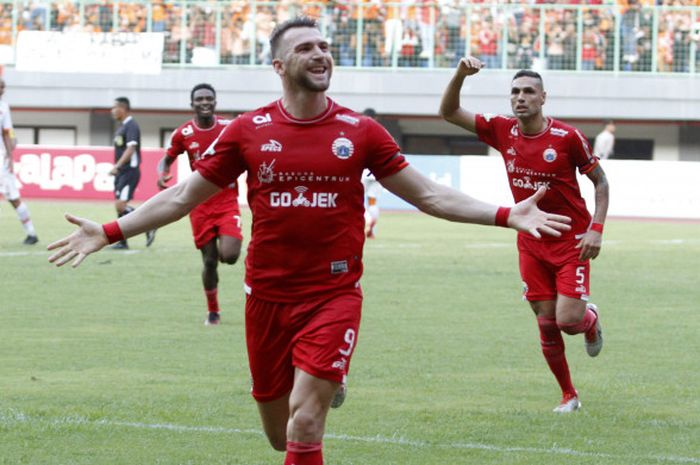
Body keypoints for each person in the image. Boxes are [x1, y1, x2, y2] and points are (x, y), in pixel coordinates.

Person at [48, 18, 571, 465]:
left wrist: (506, 215)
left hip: (333, 296)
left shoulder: (361, 131)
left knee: (305, 422)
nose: (320, 54)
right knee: (278, 435)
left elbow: (430, 196)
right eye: (305, 48)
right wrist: (110, 230)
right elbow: (182, 196)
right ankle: (324, 377)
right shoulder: (248, 132)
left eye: (324, 46)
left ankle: (324, 374)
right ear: (279, 66)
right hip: (266, 299)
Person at [439, 57, 610, 413]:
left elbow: (600, 181)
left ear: (543, 98)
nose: (520, 97)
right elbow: (449, 111)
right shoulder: (502, 130)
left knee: (568, 321)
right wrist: (460, 75)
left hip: (570, 241)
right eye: (515, 91)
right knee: (546, 322)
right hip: (530, 240)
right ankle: (569, 395)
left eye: (528, 92)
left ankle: (589, 320)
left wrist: (596, 228)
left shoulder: (566, 137)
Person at [157, 83, 243, 326]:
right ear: (192, 104)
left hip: (226, 200)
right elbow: (166, 159)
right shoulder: (183, 133)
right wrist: (162, 173)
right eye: (200, 99)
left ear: (215, 102)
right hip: (199, 202)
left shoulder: (229, 128)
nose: (205, 102)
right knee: (209, 261)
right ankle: (213, 311)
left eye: (209, 99)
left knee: (230, 255)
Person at [109, 96, 156, 249]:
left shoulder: (131, 125)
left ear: (122, 108)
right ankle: (123, 242)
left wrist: (118, 166)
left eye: (114, 107)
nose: (112, 111)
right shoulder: (121, 127)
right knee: (119, 206)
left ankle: (148, 224)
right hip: (121, 173)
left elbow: (131, 148)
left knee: (121, 205)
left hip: (129, 171)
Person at [0, 77, 39, 245]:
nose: (2, 89)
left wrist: (10, 156)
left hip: (1, 159)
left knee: (13, 198)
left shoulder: (3, 107)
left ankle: (31, 233)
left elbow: (8, 133)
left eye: (3, 87)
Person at [360, 108, 382, 239]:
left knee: (359, 200)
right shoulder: (380, 130)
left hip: (363, 172)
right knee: (373, 201)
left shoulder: (360, 128)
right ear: (376, 117)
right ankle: (371, 227)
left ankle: (368, 220)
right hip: (376, 172)